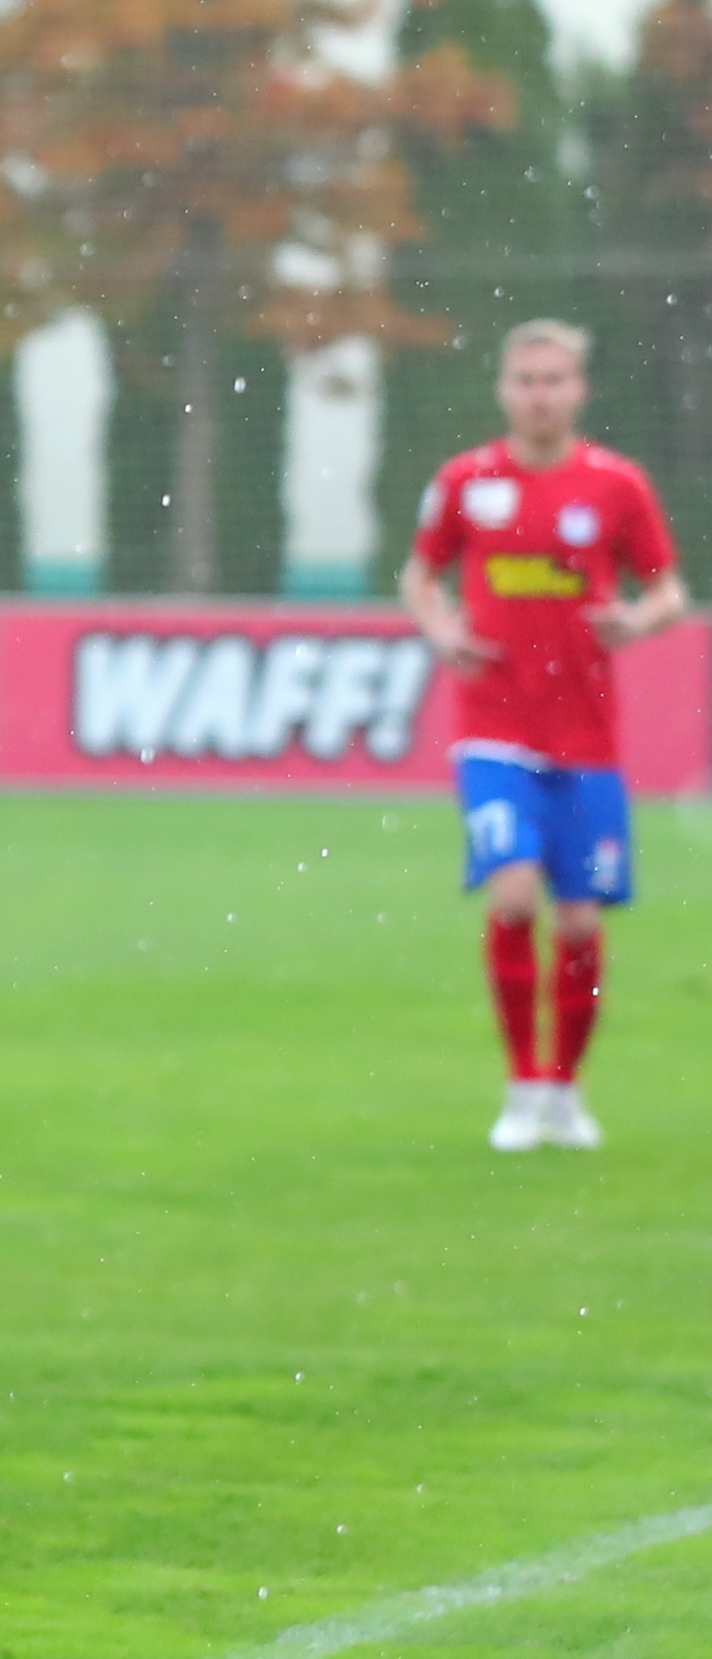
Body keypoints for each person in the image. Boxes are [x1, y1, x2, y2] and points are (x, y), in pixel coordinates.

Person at [399, 318, 691, 1152]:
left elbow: (667, 589)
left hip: (586, 739)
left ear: (578, 390)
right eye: (525, 379)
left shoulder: (615, 485)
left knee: (580, 923)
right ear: (503, 389)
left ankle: (564, 1089)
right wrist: (439, 629)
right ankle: (521, 1086)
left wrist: (636, 619)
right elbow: (419, 574)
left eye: (553, 379)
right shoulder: (465, 481)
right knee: (514, 896)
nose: (539, 394)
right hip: (493, 729)